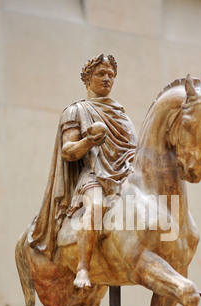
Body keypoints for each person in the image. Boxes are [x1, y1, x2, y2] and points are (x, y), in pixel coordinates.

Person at [28, 54, 137, 288]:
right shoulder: (76, 111)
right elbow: (68, 151)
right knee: (97, 206)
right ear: (87, 80)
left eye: (111, 75)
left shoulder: (122, 116)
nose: (107, 79)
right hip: (94, 176)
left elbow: (133, 150)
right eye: (101, 74)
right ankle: (83, 268)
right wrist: (89, 141)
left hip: (125, 174)